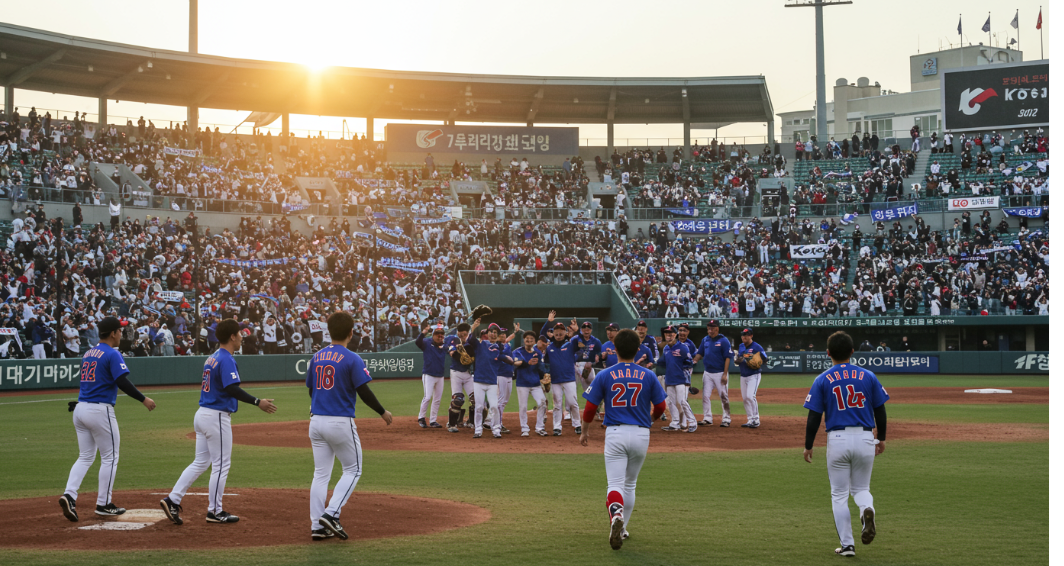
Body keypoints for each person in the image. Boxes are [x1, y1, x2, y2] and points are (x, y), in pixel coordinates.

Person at [160, 319, 278, 526]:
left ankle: (172, 499)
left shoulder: (212, 357)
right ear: (232, 337)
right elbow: (231, 388)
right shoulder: (226, 359)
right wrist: (257, 402)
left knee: (201, 462)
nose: (242, 337)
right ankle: (215, 511)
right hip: (216, 417)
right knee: (221, 466)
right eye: (240, 334)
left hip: (203, 414)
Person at [305, 312, 393, 540]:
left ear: (328, 331)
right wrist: (382, 412)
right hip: (339, 422)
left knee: (320, 474)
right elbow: (363, 391)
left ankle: (317, 526)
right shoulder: (353, 357)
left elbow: (311, 389)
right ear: (351, 333)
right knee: (353, 470)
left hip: (315, 421)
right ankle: (331, 514)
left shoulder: (317, 356)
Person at [60, 317, 156, 522]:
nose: (121, 334)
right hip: (99, 410)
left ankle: (69, 494)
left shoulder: (88, 353)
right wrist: (143, 399)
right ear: (113, 333)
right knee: (110, 457)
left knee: (85, 456)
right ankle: (104, 504)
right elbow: (121, 380)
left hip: (81, 408)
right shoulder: (112, 353)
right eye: (119, 331)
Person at [579, 328, 667, 550]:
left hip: (615, 433)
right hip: (640, 433)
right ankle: (623, 527)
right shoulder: (648, 375)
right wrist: (651, 419)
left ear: (614, 349)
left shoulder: (605, 374)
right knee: (630, 484)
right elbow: (661, 406)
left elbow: (590, 408)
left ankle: (615, 514)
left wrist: (585, 431)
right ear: (638, 349)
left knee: (615, 484)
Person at [802, 331, 889, 557]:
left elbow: (813, 417)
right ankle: (866, 509)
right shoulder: (868, 376)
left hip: (838, 439)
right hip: (865, 438)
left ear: (828, 353)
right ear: (853, 351)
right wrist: (882, 438)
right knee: (861, 489)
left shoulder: (822, 378)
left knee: (839, 494)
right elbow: (880, 409)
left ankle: (848, 546)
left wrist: (808, 445)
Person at [540, 311, 582, 436]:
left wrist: (577, 330)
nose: (558, 333)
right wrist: (548, 322)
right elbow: (542, 335)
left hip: (569, 379)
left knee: (573, 402)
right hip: (556, 380)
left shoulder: (571, 344)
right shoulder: (549, 347)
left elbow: (581, 340)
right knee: (557, 405)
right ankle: (557, 427)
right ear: (553, 333)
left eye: (561, 331)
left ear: (565, 333)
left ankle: (577, 424)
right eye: (556, 331)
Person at [465, 321, 509, 438]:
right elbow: (470, 340)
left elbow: (503, 355)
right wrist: (473, 327)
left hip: (492, 382)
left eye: (495, 332)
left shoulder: (499, 347)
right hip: (479, 381)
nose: (493, 334)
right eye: (491, 332)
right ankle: (478, 430)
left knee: (494, 406)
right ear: (487, 333)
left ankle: (496, 430)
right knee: (479, 407)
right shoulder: (481, 343)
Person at [692, 319, 732, 427]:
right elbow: (700, 353)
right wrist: (694, 360)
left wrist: (725, 374)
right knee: (705, 396)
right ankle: (707, 418)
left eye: (712, 328)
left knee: (723, 396)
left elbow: (728, 358)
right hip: (708, 373)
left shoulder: (723, 341)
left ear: (717, 328)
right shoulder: (705, 340)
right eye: (709, 328)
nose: (710, 330)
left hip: (720, 372)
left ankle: (726, 418)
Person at [656, 326, 695, 432]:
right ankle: (675, 423)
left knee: (682, 401)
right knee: (671, 402)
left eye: (670, 334)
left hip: (681, 379)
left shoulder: (683, 347)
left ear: (675, 335)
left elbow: (689, 363)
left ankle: (692, 422)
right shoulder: (666, 349)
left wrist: (687, 379)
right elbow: (662, 362)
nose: (668, 336)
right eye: (666, 334)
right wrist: (653, 361)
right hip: (670, 378)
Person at [511, 330, 548, 436]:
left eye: (531, 339)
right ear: (524, 340)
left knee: (542, 403)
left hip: (535, 383)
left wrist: (545, 376)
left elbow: (541, 368)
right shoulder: (518, 352)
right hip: (522, 383)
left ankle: (540, 427)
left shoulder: (538, 353)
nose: (529, 340)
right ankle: (524, 429)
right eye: (527, 338)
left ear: (534, 341)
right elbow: (515, 363)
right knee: (523, 407)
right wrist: (527, 363)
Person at [734, 328, 769, 428]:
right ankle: (750, 419)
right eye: (743, 335)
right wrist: (738, 360)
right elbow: (738, 360)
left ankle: (756, 419)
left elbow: (765, 359)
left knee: (750, 396)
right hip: (743, 375)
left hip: (754, 375)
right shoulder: (741, 346)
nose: (744, 336)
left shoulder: (756, 347)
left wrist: (756, 360)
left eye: (746, 334)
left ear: (751, 336)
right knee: (745, 398)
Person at [415, 324, 447, 428]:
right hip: (428, 374)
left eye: (441, 334)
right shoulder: (427, 343)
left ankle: (433, 420)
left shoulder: (444, 345)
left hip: (440, 375)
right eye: (437, 334)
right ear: (433, 335)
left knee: (437, 399)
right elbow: (418, 342)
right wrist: (424, 332)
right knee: (427, 397)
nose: (440, 336)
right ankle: (421, 418)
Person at [446, 323, 476, 428]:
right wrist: (463, 358)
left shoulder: (470, 342)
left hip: (468, 374)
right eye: (461, 334)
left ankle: (471, 421)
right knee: (458, 399)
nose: (462, 336)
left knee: (475, 399)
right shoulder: (453, 339)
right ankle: (451, 424)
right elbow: (452, 353)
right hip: (456, 373)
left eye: (465, 334)